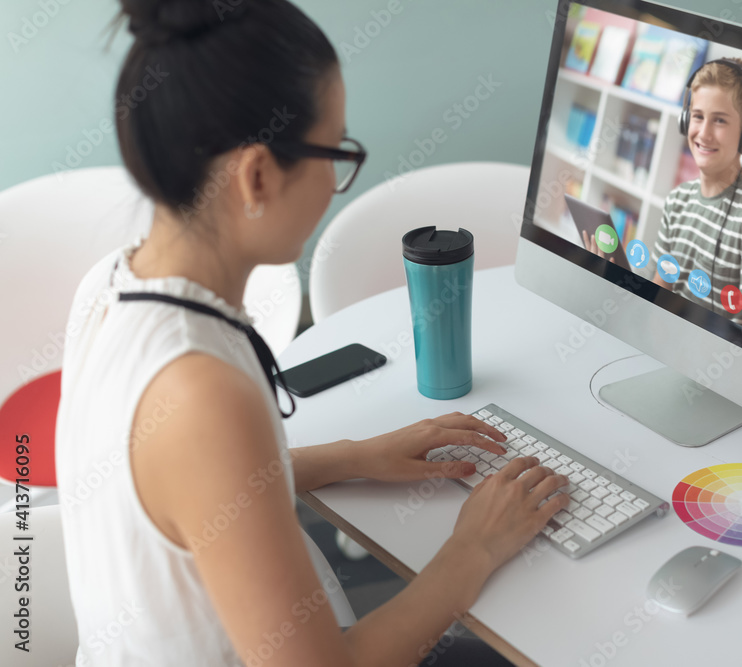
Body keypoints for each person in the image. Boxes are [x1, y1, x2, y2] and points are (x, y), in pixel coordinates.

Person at [54, 2, 569, 665]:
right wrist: (476, 547)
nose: (335, 182)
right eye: (335, 152)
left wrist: (356, 454)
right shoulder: (201, 391)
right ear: (258, 174)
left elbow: (191, 488)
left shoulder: (107, 285)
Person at [586, 58, 742, 347]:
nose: (704, 133)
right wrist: (607, 277)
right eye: (697, 116)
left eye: (719, 120)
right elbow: (659, 295)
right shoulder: (677, 201)